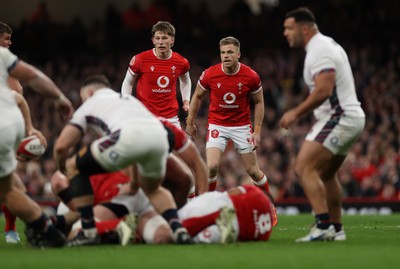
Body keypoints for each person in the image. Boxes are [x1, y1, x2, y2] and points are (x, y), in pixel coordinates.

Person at [53, 74, 191, 246]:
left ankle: (88, 232)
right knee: (154, 190)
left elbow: (61, 146)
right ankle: (178, 229)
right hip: (159, 136)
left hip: (126, 141)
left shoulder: (89, 104)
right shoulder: (128, 100)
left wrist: (63, 167)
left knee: (74, 165)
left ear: (88, 93)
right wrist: (134, 183)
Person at [280, 7, 365, 242]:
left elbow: (324, 90)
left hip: (340, 117)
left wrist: (295, 113)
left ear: (304, 28)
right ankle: (337, 229)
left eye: (289, 28)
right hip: (351, 117)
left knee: (303, 168)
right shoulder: (327, 44)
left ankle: (323, 225)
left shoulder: (319, 49)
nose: (285, 33)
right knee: (327, 174)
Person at [185, 36, 276, 226]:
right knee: (211, 167)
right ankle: (208, 209)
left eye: (229, 52)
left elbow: (259, 102)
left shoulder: (250, 76)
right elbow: (197, 96)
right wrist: (190, 121)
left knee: (252, 171)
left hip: (242, 126)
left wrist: (257, 131)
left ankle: (270, 207)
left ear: (238, 54)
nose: (226, 56)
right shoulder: (210, 74)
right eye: (223, 52)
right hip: (217, 125)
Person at [0, 45, 74, 248]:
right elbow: (33, 77)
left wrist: (30, 128)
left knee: (9, 190)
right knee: (10, 190)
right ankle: (50, 232)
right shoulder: (2, 55)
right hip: (9, 122)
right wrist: (58, 97)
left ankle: (43, 229)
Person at [0, 21, 49, 244]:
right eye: (6, 38)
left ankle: (18, 227)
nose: (9, 42)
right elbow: (18, 98)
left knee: (11, 184)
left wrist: (27, 130)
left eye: (10, 39)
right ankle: (37, 223)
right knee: (11, 185)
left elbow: (19, 100)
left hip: (9, 131)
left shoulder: (10, 66)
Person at [51, 170, 173, 245]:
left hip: (120, 193)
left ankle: (122, 224)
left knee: (78, 234)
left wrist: (52, 222)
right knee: (163, 237)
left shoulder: (72, 201)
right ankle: (130, 229)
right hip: (137, 195)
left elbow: (77, 215)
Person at [121, 20, 191, 128]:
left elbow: (185, 81)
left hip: (171, 118)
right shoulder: (140, 60)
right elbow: (127, 82)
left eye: (164, 38)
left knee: (179, 145)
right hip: (145, 117)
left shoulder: (182, 62)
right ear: (153, 40)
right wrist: (126, 102)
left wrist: (186, 101)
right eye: (157, 38)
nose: (160, 42)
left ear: (172, 40)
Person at [178, 184, 274, 243]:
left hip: (226, 207)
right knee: (194, 238)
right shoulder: (267, 233)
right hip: (233, 231)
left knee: (180, 222)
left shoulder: (257, 193)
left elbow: (232, 192)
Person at [161, 119, 208, 207]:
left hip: (169, 123)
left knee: (185, 178)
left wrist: (203, 203)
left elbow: (197, 162)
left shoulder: (171, 129)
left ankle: (190, 204)